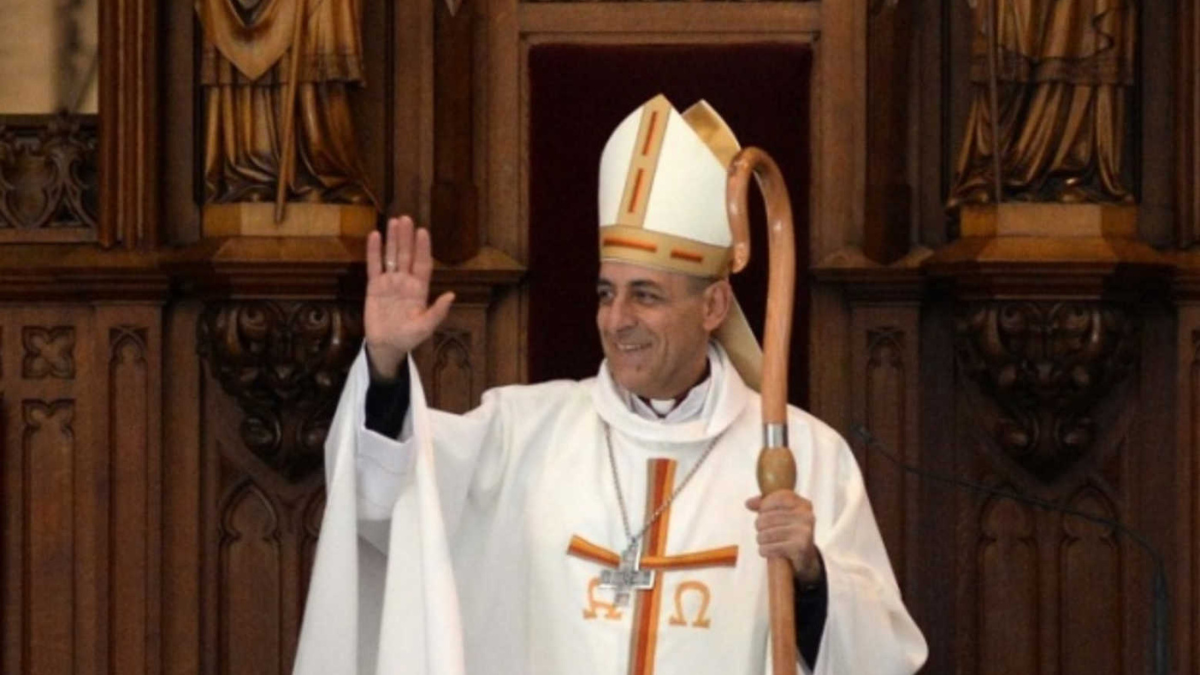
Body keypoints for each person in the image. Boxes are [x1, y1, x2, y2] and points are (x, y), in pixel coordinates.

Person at [294, 95, 927, 675]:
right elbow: (388, 502)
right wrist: (381, 366)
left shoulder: (799, 458)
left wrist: (813, 578)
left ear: (712, 306)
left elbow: (885, 655)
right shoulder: (522, 435)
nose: (616, 320)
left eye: (645, 296)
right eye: (606, 294)